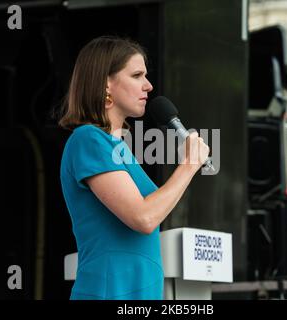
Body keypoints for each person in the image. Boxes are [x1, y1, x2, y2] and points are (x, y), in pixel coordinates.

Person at [58, 36, 209, 300]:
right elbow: (143, 218)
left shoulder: (118, 148)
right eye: (137, 75)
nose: (148, 86)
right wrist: (188, 165)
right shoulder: (89, 140)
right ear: (106, 83)